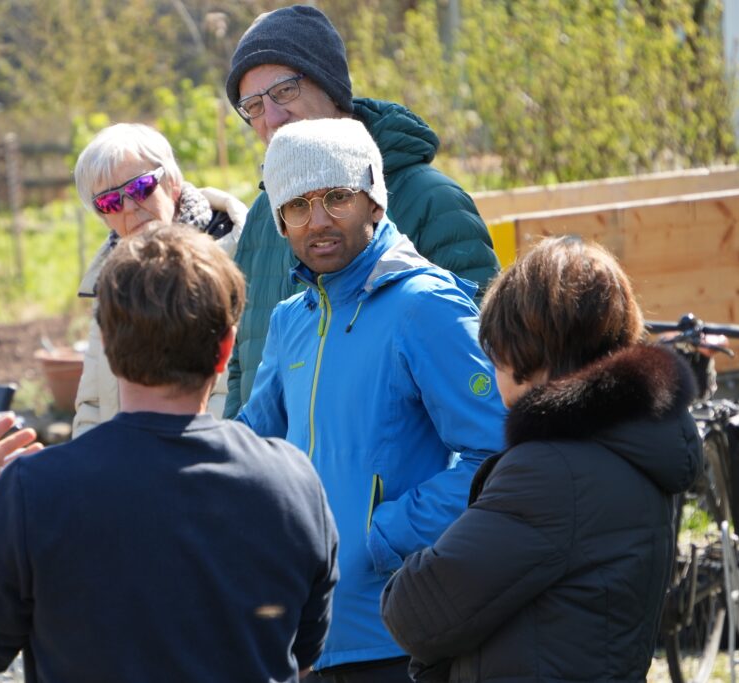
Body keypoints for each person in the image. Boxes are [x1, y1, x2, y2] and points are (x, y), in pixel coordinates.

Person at [0, 225, 340, 683]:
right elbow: (302, 655)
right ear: (226, 349)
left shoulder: (34, 493)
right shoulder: (294, 483)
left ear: (107, 346)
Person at [237, 118, 506, 681]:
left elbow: (499, 455)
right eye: (297, 206)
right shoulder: (291, 319)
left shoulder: (425, 305)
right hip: (305, 635)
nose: (318, 221)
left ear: (374, 199)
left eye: (337, 197)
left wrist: (382, 538)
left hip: (399, 634)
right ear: (280, 221)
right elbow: (248, 448)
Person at [380, 237, 702, 681]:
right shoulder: (630, 445)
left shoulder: (552, 471)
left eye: (495, 352)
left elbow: (418, 611)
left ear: (525, 351)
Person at [222, 4, 500, 418]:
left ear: (331, 86)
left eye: (284, 91)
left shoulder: (431, 200)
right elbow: (242, 366)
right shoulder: (264, 215)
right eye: (254, 105)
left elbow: (486, 365)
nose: (273, 118)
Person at [72, 123, 247, 435]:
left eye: (140, 187)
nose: (129, 207)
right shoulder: (110, 283)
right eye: (110, 202)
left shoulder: (240, 253)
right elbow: (93, 404)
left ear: (172, 182)